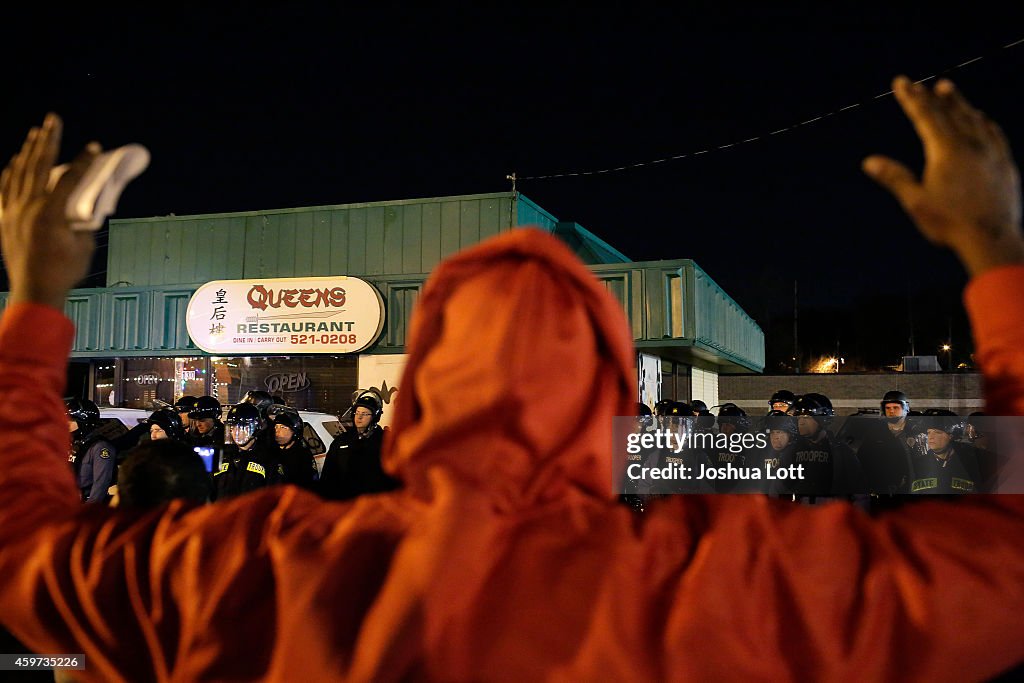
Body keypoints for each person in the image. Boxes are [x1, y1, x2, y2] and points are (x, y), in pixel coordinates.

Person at [0, 74, 1023, 680]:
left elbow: (23, 547)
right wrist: (995, 254)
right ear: (608, 394)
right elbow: (1001, 571)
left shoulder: (258, 566)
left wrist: (38, 297)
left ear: (422, 390)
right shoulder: (726, 583)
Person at [318, 391, 397, 500]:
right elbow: (329, 476)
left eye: (364, 414)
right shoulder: (342, 441)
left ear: (375, 417)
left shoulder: (385, 441)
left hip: (374, 505)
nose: (359, 417)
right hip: (345, 504)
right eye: (357, 412)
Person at [211, 402, 281, 501]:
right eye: (233, 427)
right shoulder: (222, 456)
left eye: (242, 427)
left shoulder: (268, 458)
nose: (236, 432)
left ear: (255, 428)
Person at [115, 439, 211, 508]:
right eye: (152, 430)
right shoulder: (204, 533)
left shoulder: (108, 531)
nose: (154, 434)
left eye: (158, 430)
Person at [65, 397, 117, 504]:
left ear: (84, 423)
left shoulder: (100, 448)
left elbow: (100, 484)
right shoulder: (74, 444)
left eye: (71, 421)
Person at [270, 406, 318, 489]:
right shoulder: (270, 451)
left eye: (283, 427)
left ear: (295, 432)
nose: (277, 431)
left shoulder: (303, 456)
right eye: (276, 427)